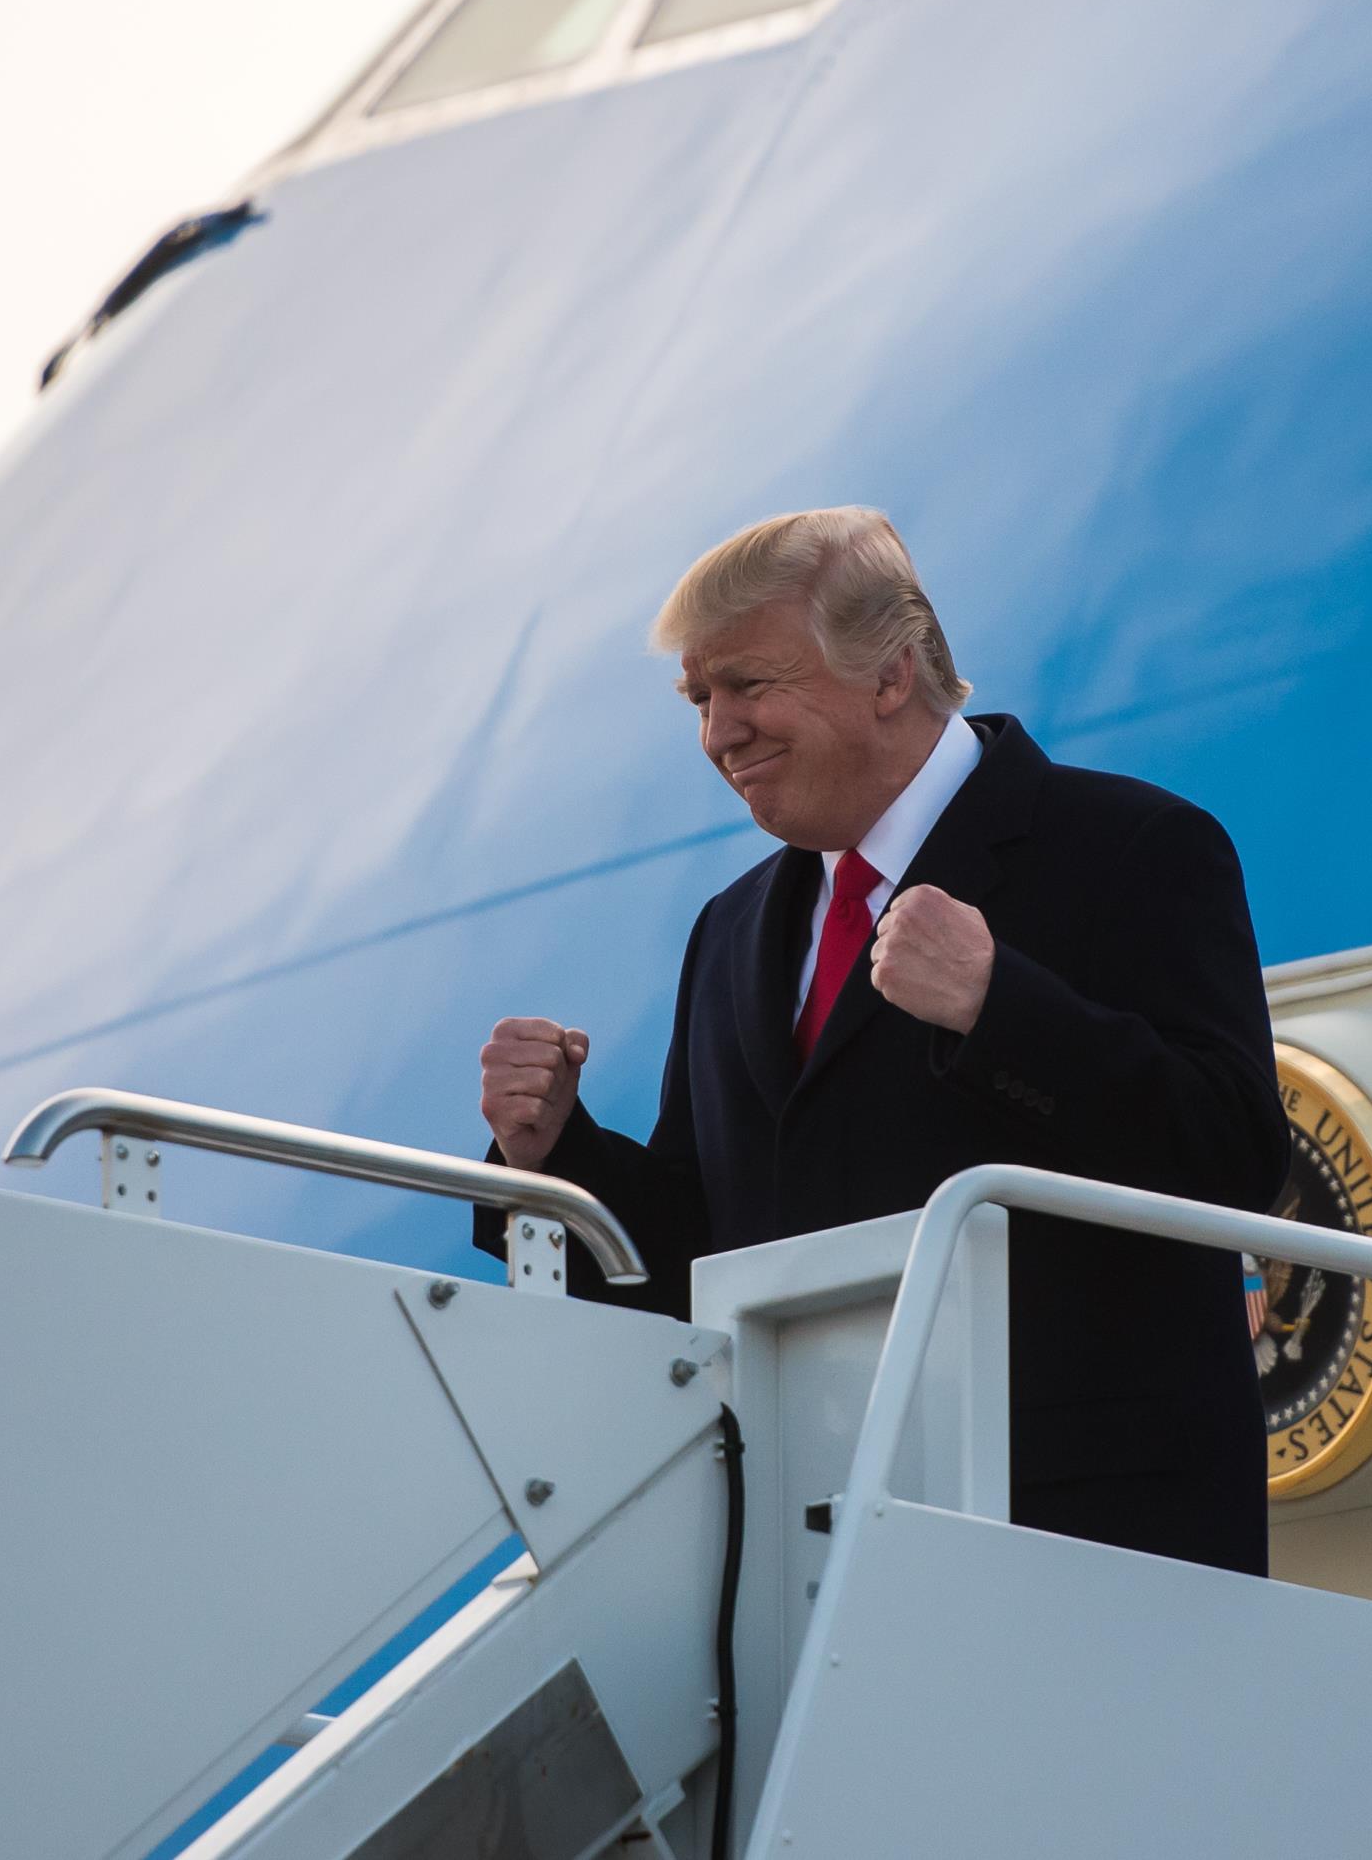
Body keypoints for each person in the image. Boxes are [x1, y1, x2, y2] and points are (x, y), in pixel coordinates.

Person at [475, 507, 1289, 1571]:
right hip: (807, 1549)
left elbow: (1237, 1162)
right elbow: (704, 1258)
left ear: (892, 674)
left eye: (750, 685)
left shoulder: (1134, 845)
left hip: (1086, 1553)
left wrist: (1000, 1008)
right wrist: (553, 1159)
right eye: (700, 699)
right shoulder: (729, 932)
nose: (719, 734)